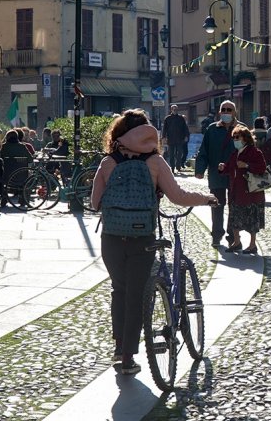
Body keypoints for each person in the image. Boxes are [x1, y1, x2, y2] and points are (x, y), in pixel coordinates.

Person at [90, 109, 217, 375]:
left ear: (119, 132)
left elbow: (94, 202)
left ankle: (118, 346)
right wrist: (206, 198)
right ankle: (127, 358)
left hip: (112, 237)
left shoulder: (108, 162)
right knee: (136, 295)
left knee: (119, 290)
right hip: (142, 236)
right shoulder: (156, 162)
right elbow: (178, 196)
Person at [195, 100, 245, 247]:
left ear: (235, 112)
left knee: (235, 206)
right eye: (224, 110)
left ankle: (233, 237)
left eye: (229, 110)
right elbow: (204, 151)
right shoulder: (212, 129)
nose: (226, 112)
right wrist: (199, 169)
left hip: (236, 175)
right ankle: (216, 235)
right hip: (216, 175)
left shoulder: (242, 129)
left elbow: (250, 150)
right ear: (219, 112)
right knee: (216, 205)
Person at [218, 125, 266, 254]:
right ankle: (237, 241)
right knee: (234, 218)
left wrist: (247, 165)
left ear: (245, 138)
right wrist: (223, 167)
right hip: (236, 191)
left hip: (251, 192)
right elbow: (229, 168)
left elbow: (262, 168)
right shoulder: (235, 153)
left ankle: (252, 244)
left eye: (237, 137)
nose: (235, 140)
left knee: (252, 219)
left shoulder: (255, 152)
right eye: (233, 138)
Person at [162, 104, 189, 173]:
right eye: (174, 109)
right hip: (171, 139)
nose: (175, 111)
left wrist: (186, 136)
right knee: (171, 155)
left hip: (180, 139)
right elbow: (164, 129)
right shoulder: (167, 118)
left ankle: (178, 166)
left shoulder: (181, 118)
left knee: (179, 153)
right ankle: (172, 168)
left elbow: (185, 128)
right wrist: (164, 137)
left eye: (176, 109)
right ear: (171, 110)